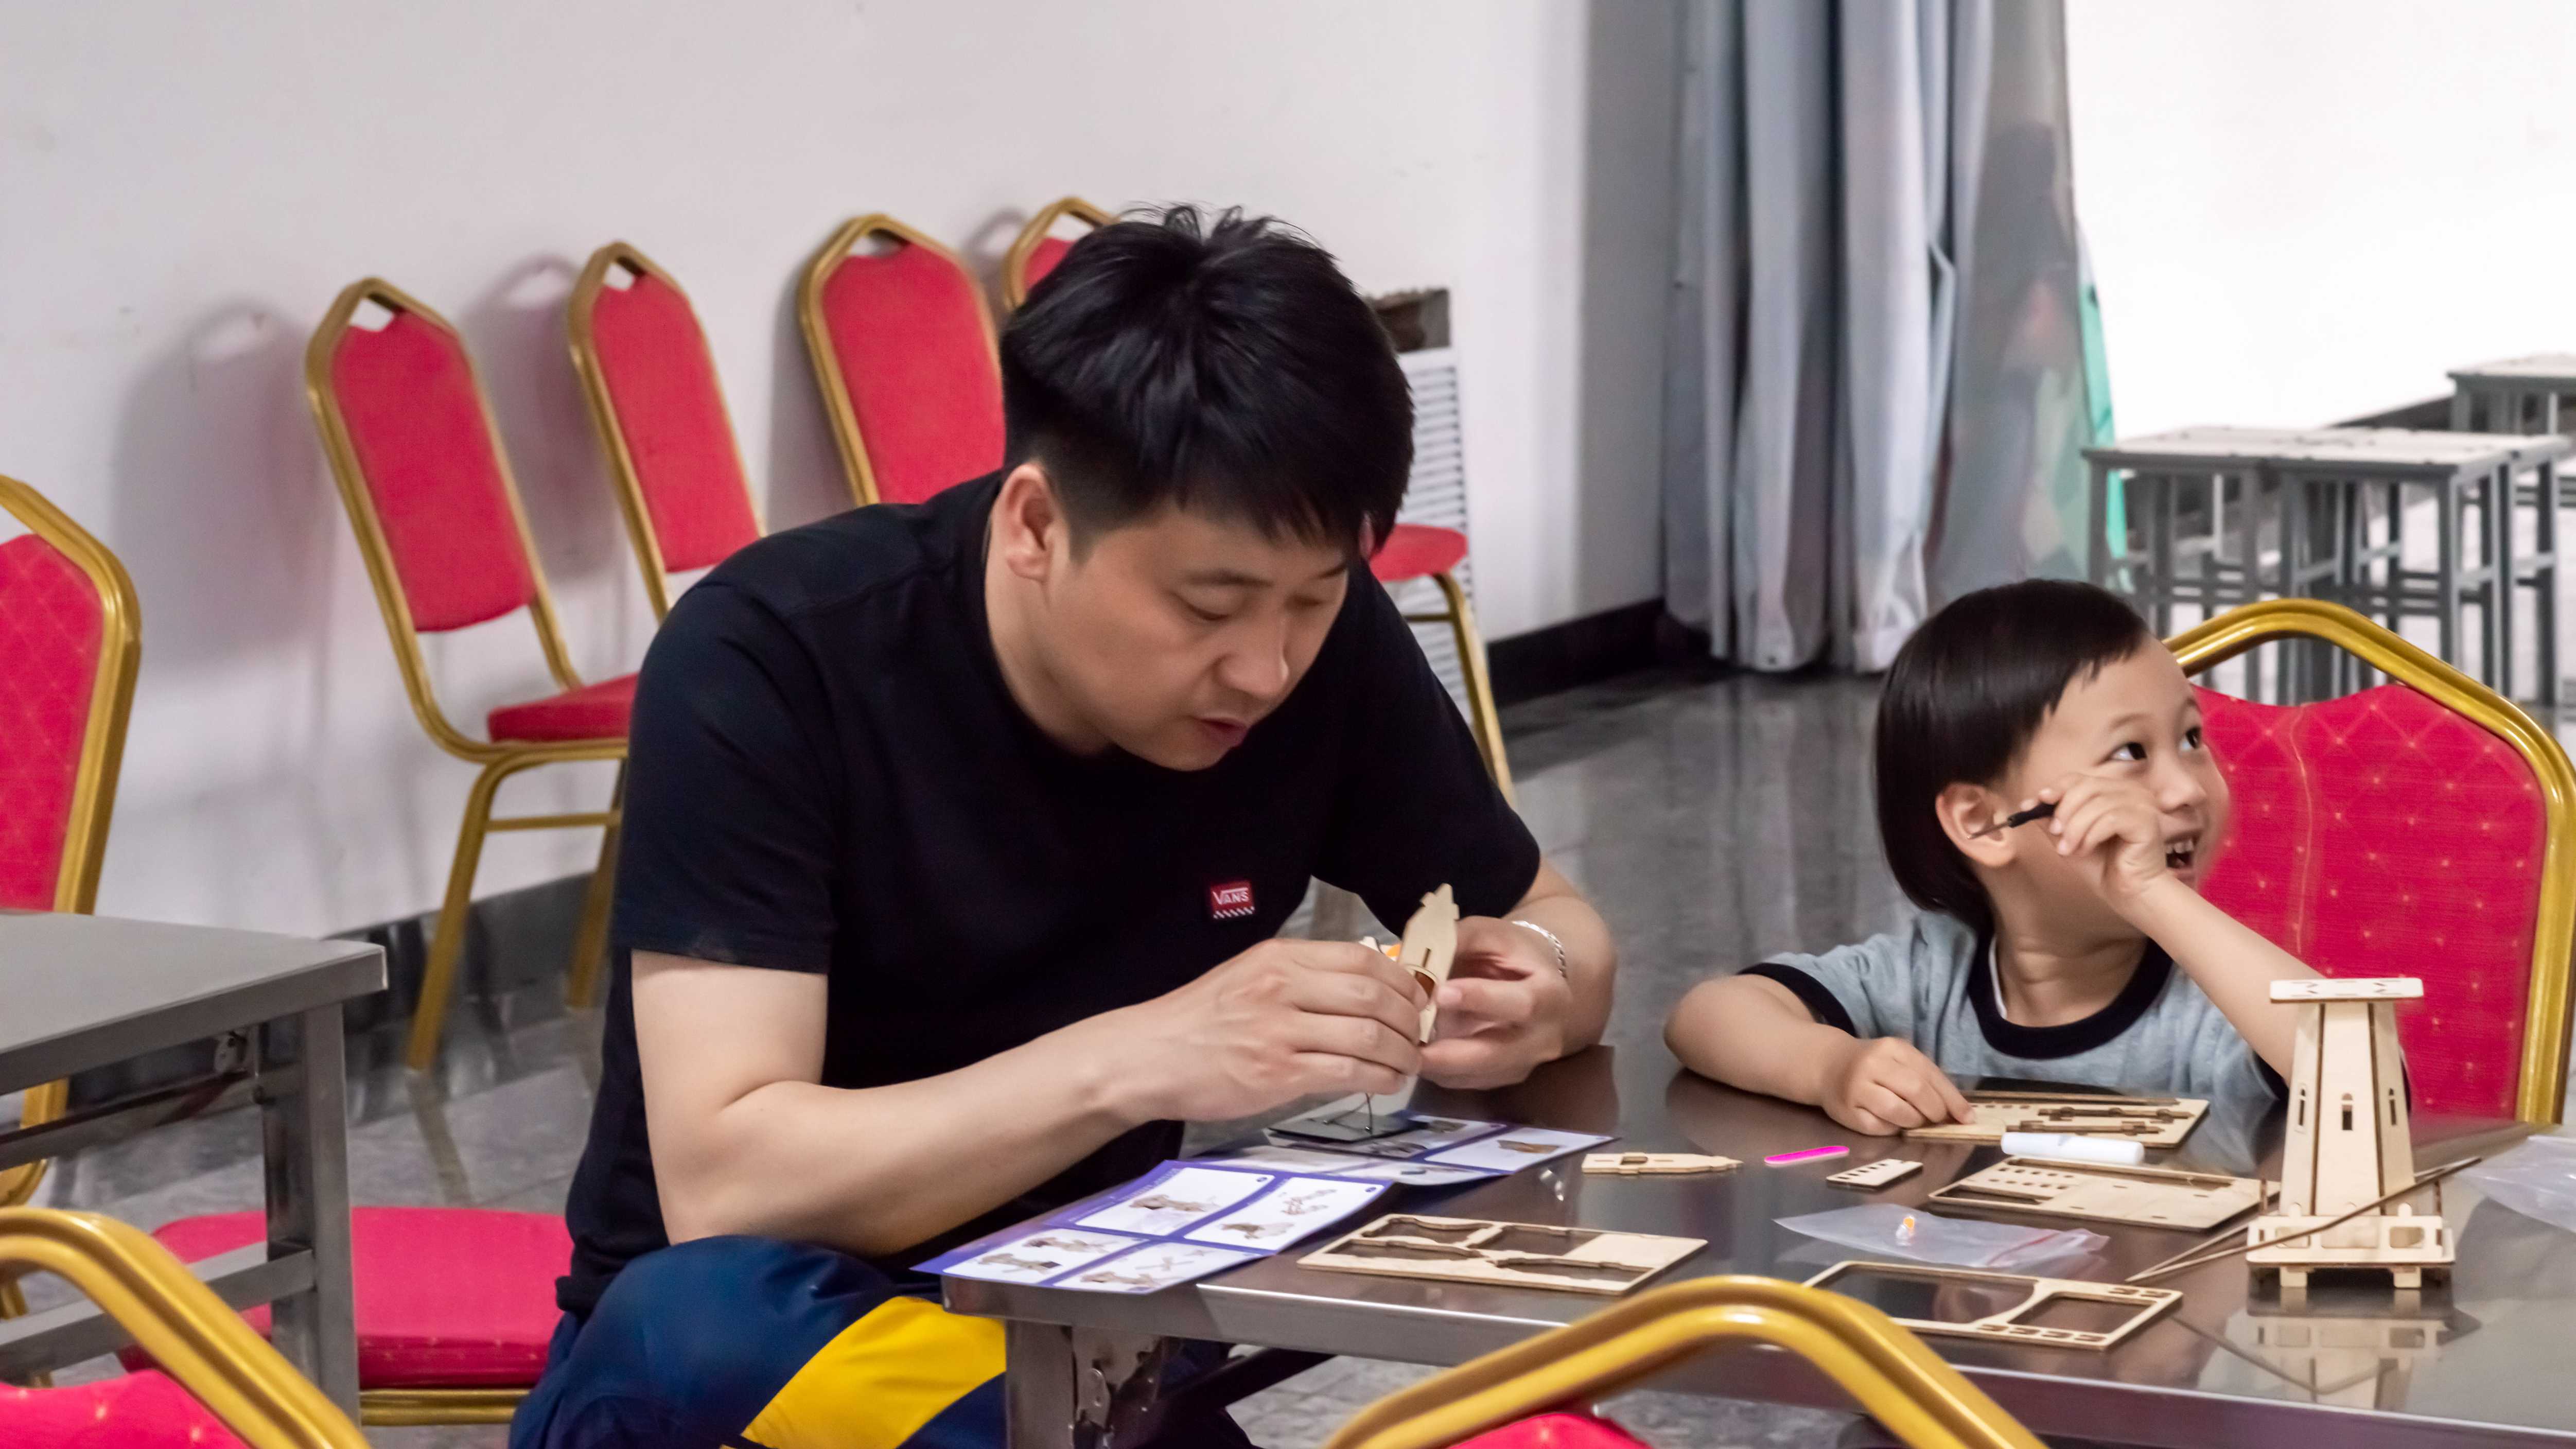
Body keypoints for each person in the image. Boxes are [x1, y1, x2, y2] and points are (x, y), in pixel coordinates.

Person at [509, 206, 1616, 1449]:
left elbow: (1554, 922)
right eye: (1209, 607)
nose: (1264, 668)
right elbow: (730, 1185)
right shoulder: (775, 660)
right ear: (1034, 525)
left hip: (1075, 1329)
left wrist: (1541, 986)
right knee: (719, 1316)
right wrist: (1148, 1055)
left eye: (1313, 599)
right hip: (742, 1359)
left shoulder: (1321, 652)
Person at [1664, 579, 2309, 1136]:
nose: (2186, 789)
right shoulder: (1927, 978)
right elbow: (1706, 1015)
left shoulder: (2221, 1000)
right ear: (1983, 823)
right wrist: (1830, 1067)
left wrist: (2151, 892)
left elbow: (2348, 1068)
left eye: (2191, 738)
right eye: (2129, 752)